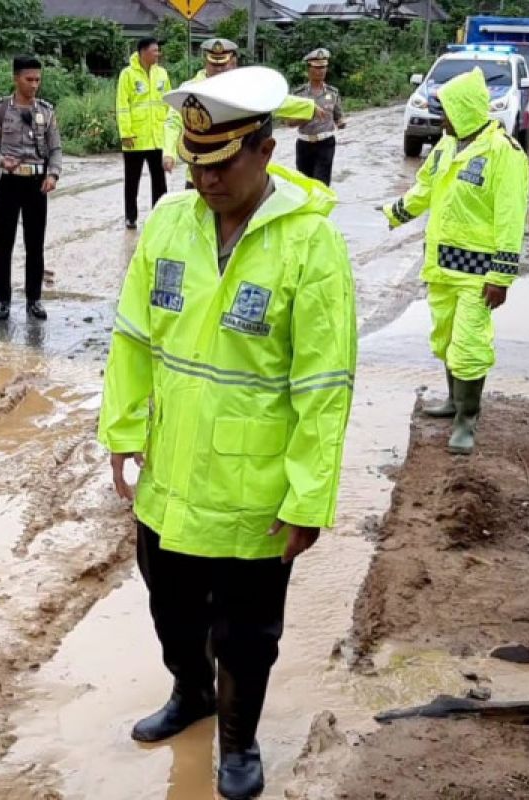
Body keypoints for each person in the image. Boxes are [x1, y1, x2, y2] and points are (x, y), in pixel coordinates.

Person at [98, 66, 356, 800]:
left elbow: (324, 385)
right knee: (170, 610)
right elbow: (134, 337)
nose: (204, 179)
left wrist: (310, 495)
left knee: (246, 633)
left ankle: (238, 743)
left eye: (220, 164)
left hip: (252, 488)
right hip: (171, 477)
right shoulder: (169, 224)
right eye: (194, 163)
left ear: (265, 151)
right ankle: (191, 694)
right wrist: (120, 429)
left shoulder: (311, 248)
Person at [381, 68, 529, 455]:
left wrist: (502, 275)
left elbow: (511, 217)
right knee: (445, 337)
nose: (441, 119)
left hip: (479, 274)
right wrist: (392, 214)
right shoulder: (447, 147)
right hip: (441, 266)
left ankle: (468, 418)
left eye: (446, 111)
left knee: (468, 345)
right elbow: (425, 190)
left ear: (465, 110)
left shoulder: (504, 154)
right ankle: (452, 401)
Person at [162, 39, 318, 191]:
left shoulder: (243, 87)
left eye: (223, 64)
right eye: (214, 64)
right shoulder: (191, 89)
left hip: (234, 168)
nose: (219, 69)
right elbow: (173, 122)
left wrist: (310, 107)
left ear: (233, 62)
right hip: (199, 171)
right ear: (205, 61)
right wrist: (169, 152)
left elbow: (273, 100)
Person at [0, 55, 62, 322]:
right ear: (16, 78)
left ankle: (34, 300)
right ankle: (2, 300)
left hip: (37, 184)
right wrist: (1, 160)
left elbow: (56, 148)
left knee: (35, 244)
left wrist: (53, 174)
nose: (34, 85)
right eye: (29, 79)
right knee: (4, 243)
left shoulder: (47, 112)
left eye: (38, 79)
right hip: (7, 182)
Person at [117, 37, 170, 229]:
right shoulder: (128, 74)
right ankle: (130, 216)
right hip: (135, 137)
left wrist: (170, 131)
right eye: (154, 51)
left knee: (159, 178)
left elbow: (168, 103)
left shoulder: (162, 73)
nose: (158, 54)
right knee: (132, 179)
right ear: (142, 52)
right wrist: (126, 133)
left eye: (158, 50)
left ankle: (160, 212)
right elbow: (122, 105)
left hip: (157, 136)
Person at [292, 48, 346, 186]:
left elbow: (338, 117)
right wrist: (308, 115)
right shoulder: (299, 94)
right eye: (317, 67)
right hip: (304, 144)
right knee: (304, 184)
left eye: (324, 67)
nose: (321, 71)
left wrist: (341, 122)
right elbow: (289, 123)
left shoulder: (333, 93)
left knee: (321, 183)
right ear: (309, 70)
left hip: (325, 143)